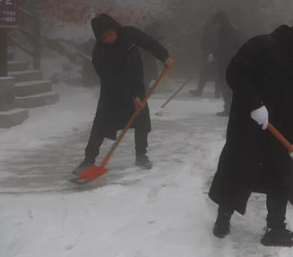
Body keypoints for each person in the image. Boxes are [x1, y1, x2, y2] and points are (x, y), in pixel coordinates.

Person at [208, 15, 293, 247]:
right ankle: (223, 217)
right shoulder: (263, 46)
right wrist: (254, 104)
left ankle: (276, 228)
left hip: (279, 130)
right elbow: (234, 72)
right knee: (237, 172)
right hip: (249, 126)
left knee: (283, 174)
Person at [72, 13, 174, 174]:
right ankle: (88, 160)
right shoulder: (99, 53)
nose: (109, 39)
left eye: (111, 34)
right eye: (104, 37)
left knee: (141, 121)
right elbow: (109, 79)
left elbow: (149, 43)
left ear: (115, 29)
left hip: (135, 84)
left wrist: (164, 56)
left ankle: (141, 155)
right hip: (112, 91)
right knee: (101, 123)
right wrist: (130, 97)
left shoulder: (129, 33)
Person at [211, 11, 242, 116]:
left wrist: (216, 55)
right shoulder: (231, 29)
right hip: (233, 61)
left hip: (227, 62)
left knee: (225, 85)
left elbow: (224, 47)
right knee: (229, 85)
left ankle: (229, 108)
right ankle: (231, 108)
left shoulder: (224, 30)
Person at [190, 15, 220, 98]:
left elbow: (203, 45)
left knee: (205, 74)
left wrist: (210, 54)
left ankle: (200, 90)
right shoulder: (215, 33)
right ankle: (216, 92)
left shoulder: (209, 34)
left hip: (210, 56)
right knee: (215, 74)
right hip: (213, 56)